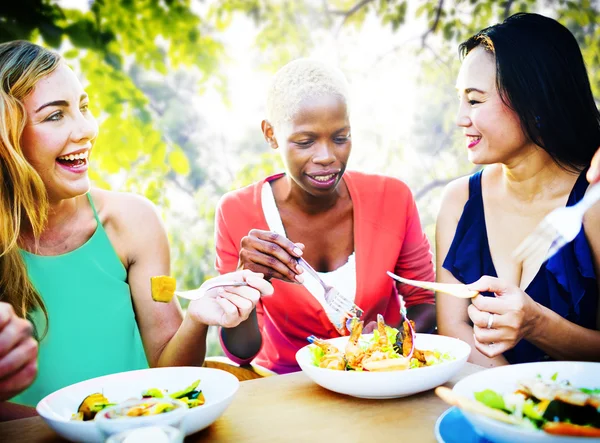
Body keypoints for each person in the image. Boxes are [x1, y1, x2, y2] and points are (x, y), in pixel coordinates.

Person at [0, 40, 273, 411]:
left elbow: (169, 366)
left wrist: (196, 318)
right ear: (6, 140)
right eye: (54, 115)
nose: (86, 130)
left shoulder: (133, 222)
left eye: (83, 107)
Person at [214, 59, 436, 374]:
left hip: (380, 383)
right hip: (288, 391)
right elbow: (242, 353)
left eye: (340, 137)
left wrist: (390, 343)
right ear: (271, 134)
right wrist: (245, 282)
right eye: (305, 142)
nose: (327, 157)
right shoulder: (237, 213)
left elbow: (425, 301)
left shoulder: (393, 199)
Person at [437, 13, 600, 367]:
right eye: (460, 99)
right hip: (488, 408)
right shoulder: (459, 201)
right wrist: (512, 399)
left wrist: (537, 324)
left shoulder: (593, 204)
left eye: (475, 101)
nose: (460, 118)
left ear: (536, 104)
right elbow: (453, 327)